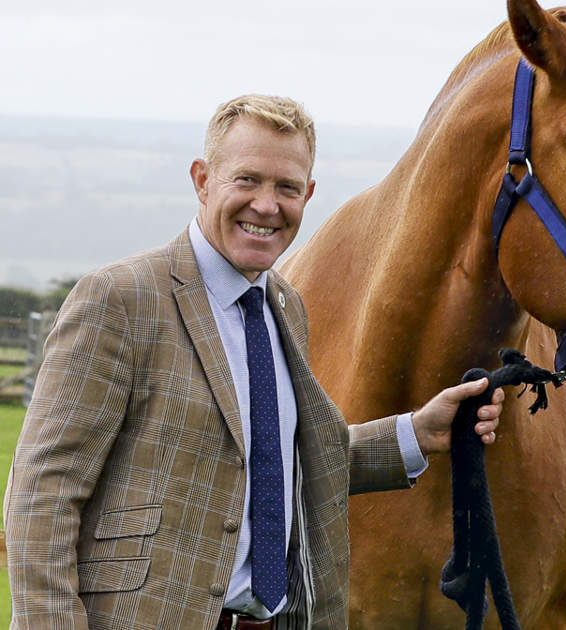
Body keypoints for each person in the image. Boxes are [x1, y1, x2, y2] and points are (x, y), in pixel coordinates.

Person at [5, 94, 505, 630]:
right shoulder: (120, 298)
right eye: (246, 180)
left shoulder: (285, 307)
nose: (267, 206)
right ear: (202, 180)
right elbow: (41, 496)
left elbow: (278, 469)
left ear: (308, 194)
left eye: (287, 187)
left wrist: (417, 433)